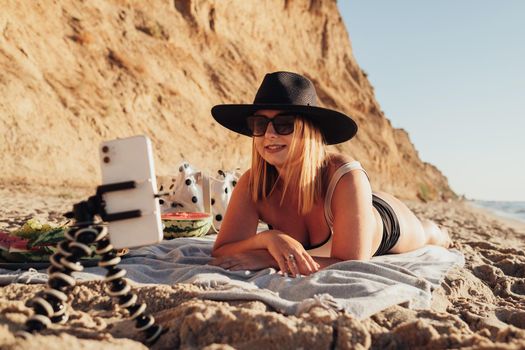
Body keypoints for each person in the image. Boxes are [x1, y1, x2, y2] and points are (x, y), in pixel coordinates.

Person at [208, 71, 451, 277]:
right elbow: (223, 250)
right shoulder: (254, 183)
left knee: (428, 234)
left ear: (309, 131)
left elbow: (352, 264)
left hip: (385, 219)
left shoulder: (345, 175)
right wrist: (269, 239)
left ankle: (441, 232)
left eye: (284, 124)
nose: (270, 133)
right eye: (260, 124)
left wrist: (270, 260)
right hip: (347, 206)